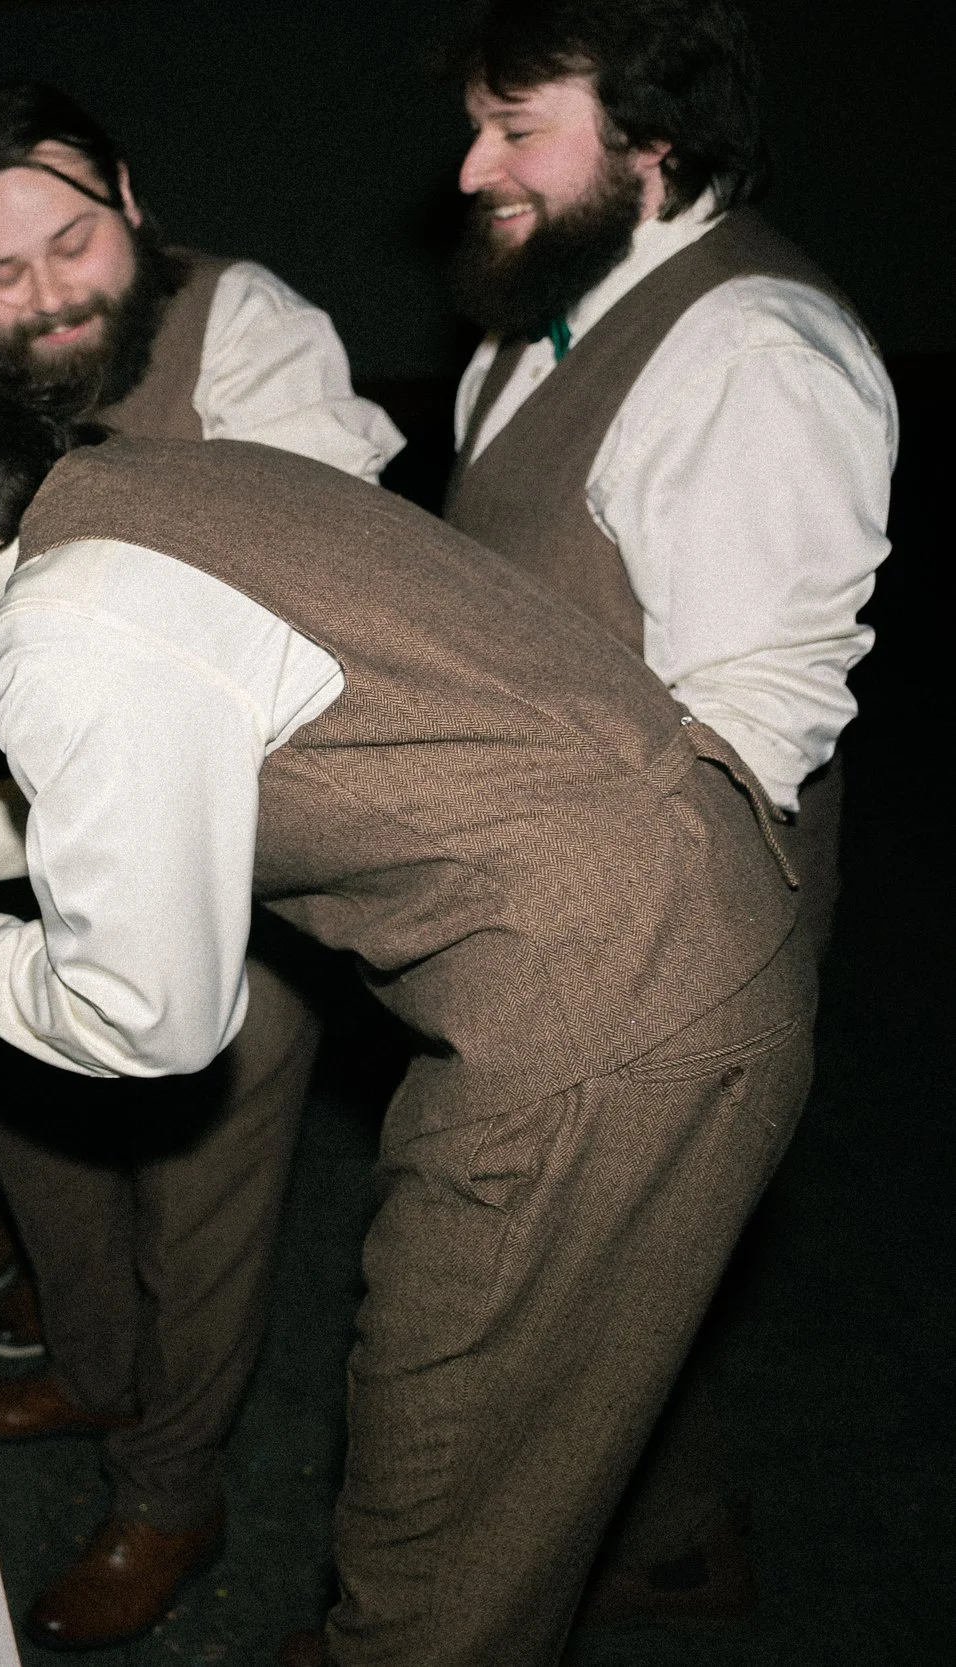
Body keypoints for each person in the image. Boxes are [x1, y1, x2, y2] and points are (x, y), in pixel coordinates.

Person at [0, 291, 817, 1667]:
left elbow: (151, 1020)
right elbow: (198, 749)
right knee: (502, 1435)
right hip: (692, 905)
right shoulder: (127, 484)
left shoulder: (57, 629)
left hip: (616, 994)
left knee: (445, 1448)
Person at [0, 83, 407, 1652]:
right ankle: (95, 1370)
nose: (44, 296)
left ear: (127, 196)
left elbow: (306, 573)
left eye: (70, 243)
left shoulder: (248, 324)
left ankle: (167, 1489)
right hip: (20, 809)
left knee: (197, 1195)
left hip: (248, 848)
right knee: (43, 1134)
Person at [440, 0, 895, 1626]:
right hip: (528, 888)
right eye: (476, 125)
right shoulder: (541, 309)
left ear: (658, 142)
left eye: (517, 128)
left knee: (501, 1340)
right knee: (626, 1284)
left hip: (648, 922)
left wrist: (578, 964)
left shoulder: (755, 349)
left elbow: (745, 738)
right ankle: (681, 1528)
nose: (473, 162)